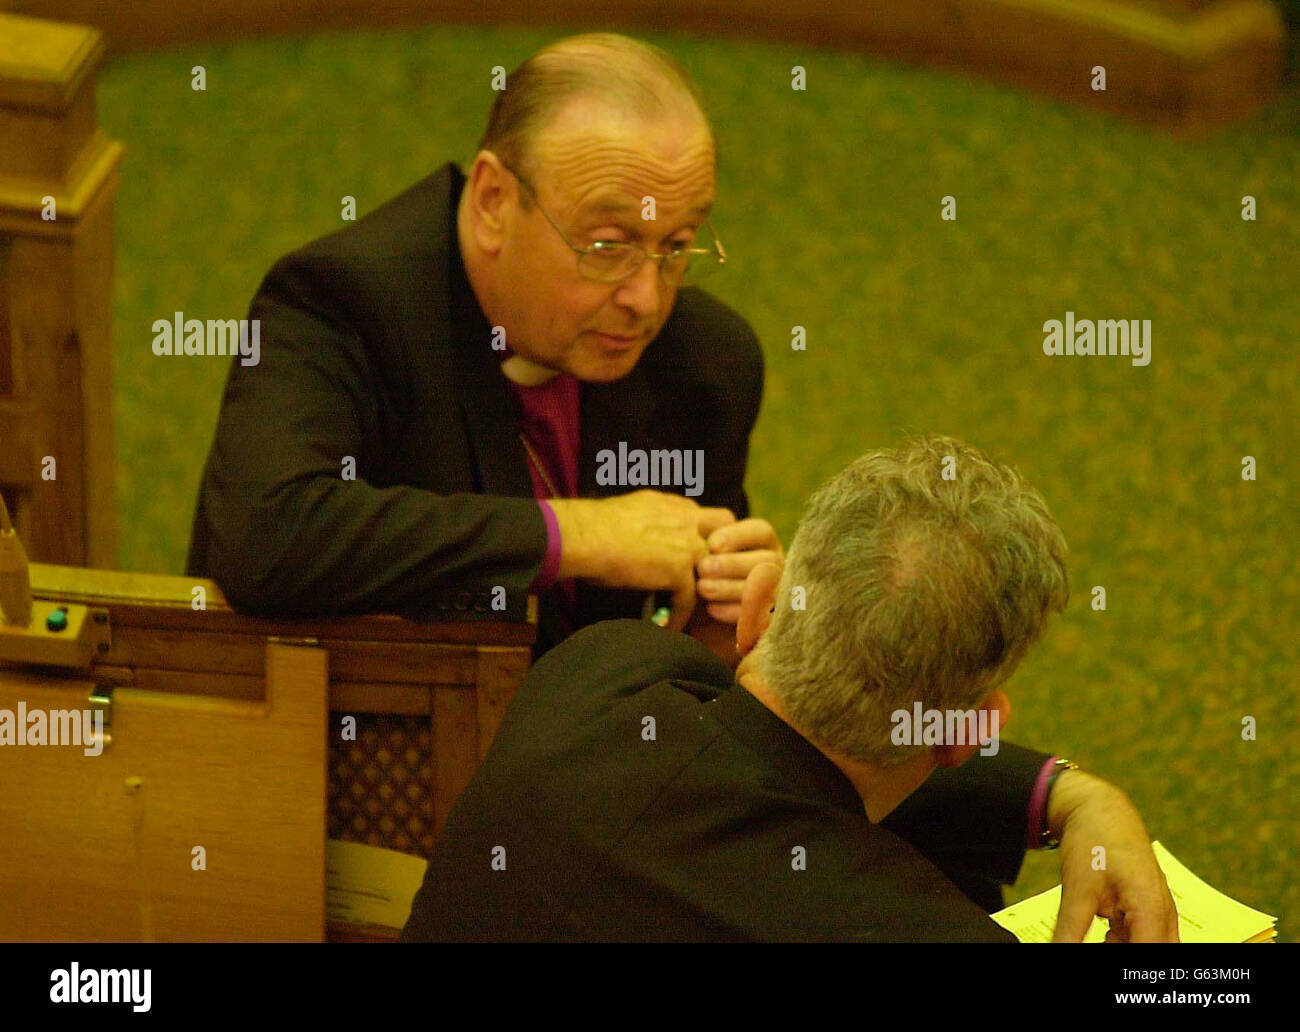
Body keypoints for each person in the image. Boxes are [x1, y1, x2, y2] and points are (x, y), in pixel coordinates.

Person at [400, 436, 1178, 942]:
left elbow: (771, 737)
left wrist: (1073, 798)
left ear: (763, 600)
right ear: (971, 733)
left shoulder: (594, 676)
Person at [185, 33, 783, 661]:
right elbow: (266, 537)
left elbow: (666, 630)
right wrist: (573, 534)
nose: (647, 299)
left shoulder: (708, 361)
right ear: (495, 201)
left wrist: (723, 621)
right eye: (609, 247)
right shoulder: (344, 302)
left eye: (676, 245)